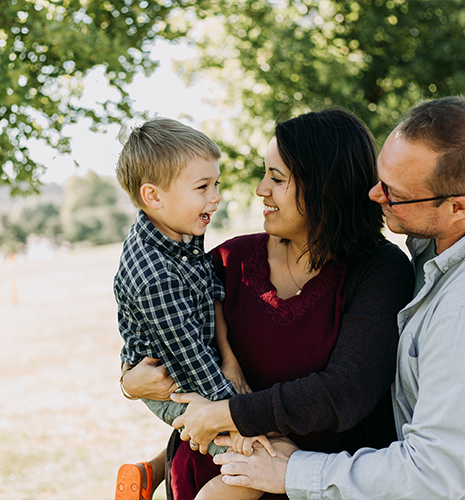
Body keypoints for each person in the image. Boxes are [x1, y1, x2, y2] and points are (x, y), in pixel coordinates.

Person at [212, 96, 465, 499]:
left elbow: (429, 475)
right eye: (380, 177)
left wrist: (291, 473)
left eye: (394, 194)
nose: (373, 194)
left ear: (458, 206)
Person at [121, 108, 414, 500]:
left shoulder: (380, 272)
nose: (261, 189)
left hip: (319, 485)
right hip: (207, 477)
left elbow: (345, 392)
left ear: (323, 187)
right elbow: (157, 328)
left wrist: (227, 414)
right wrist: (127, 380)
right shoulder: (230, 259)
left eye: (276, 178)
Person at [112, 118, 273, 499]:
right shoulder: (154, 273)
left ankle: (150, 474)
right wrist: (236, 414)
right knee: (252, 461)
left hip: (199, 362)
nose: (215, 197)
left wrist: (230, 360)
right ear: (153, 196)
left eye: (215, 184)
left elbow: (209, 290)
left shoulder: (181, 229)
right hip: (172, 383)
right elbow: (190, 358)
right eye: (203, 187)